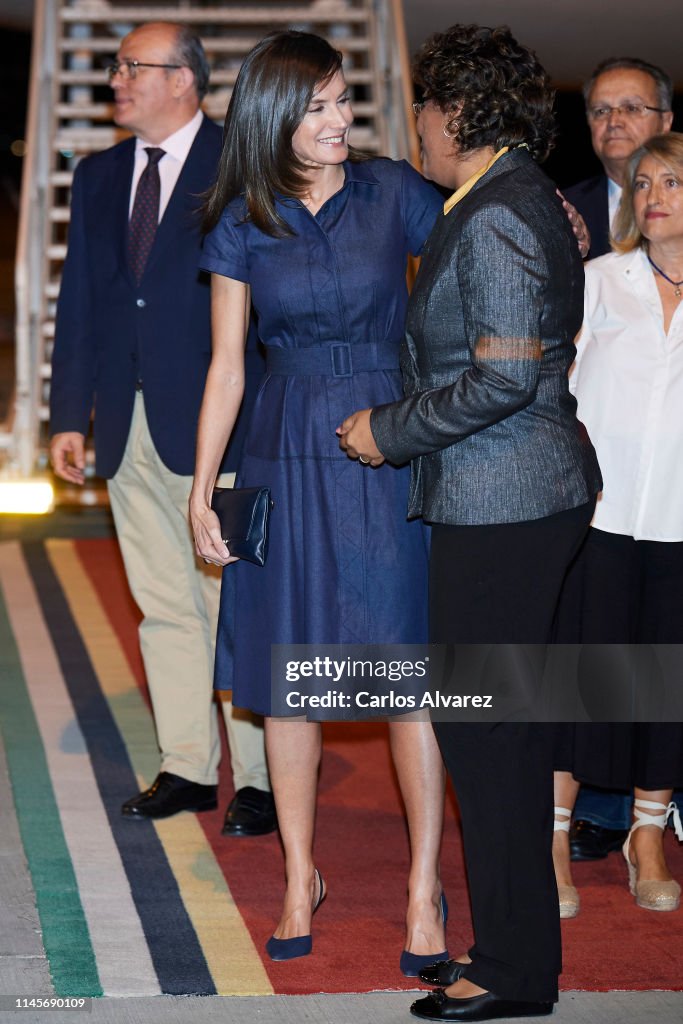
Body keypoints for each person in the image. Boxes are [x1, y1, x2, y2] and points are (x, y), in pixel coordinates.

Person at [339, 23, 601, 1021]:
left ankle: (513, 970)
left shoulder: (496, 213)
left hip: (505, 499)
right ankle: (511, 954)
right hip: (516, 494)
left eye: (420, 106)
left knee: (489, 736)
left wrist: (387, 431)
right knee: (496, 732)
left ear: (458, 112)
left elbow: (498, 375)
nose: (413, 123)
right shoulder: (509, 196)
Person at [189, 30, 449, 971]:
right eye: (317, 107)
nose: (340, 120)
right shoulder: (239, 219)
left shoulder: (395, 194)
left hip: (391, 443)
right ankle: (302, 874)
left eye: (343, 101)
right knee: (291, 683)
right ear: (272, 117)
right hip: (285, 443)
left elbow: (479, 260)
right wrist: (201, 490)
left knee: (407, 678)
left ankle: (424, 888)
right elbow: (226, 367)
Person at [49, 21, 275, 835]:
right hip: (128, 423)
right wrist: (69, 413)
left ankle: (259, 776)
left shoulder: (239, 166)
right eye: (116, 67)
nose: (116, 79)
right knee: (163, 602)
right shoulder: (101, 173)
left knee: (232, 598)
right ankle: (188, 764)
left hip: (218, 421)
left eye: (130, 67)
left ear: (183, 79)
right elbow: (81, 300)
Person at [553, 133, 683, 918]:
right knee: (571, 684)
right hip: (594, 521)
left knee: (663, 686)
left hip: (678, 524)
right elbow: (548, 389)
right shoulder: (599, 281)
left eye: (670, 179)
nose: (651, 194)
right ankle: (553, 837)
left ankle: (644, 837)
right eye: (641, 184)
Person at [564, 57, 673, 260]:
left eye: (632, 108)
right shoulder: (564, 209)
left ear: (665, 122)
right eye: (601, 111)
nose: (614, 121)